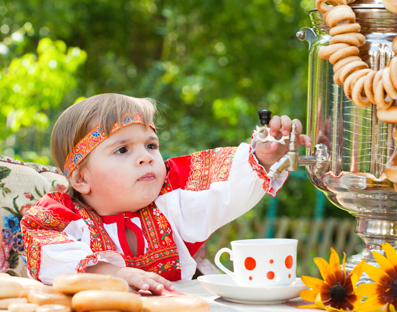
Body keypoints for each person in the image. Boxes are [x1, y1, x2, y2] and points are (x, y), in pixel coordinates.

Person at [20, 93, 311, 295]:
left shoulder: (172, 198)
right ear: (81, 178)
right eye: (122, 149)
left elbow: (224, 187)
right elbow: (45, 248)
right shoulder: (63, 217)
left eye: (151, 145)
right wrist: (112, 273)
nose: (146, 157)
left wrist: (264, 158)